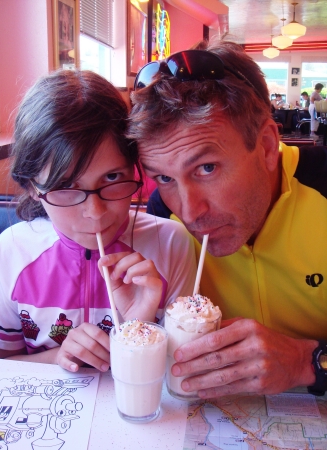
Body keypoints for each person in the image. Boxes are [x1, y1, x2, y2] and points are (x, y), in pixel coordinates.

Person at [128, 40, 327, 399]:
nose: (188, 213)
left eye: (206, 168)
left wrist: (305, 362)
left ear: (266, 146)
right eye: (164, 178)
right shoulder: (161, 214)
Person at [0, 70, 196, 372]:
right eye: (67, 186)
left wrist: (137, 327)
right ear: (33, 186)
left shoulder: (171, 244)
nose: (95, 212)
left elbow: (184, 373)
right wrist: (58, 358)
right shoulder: (15, 250)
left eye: (113, 177)